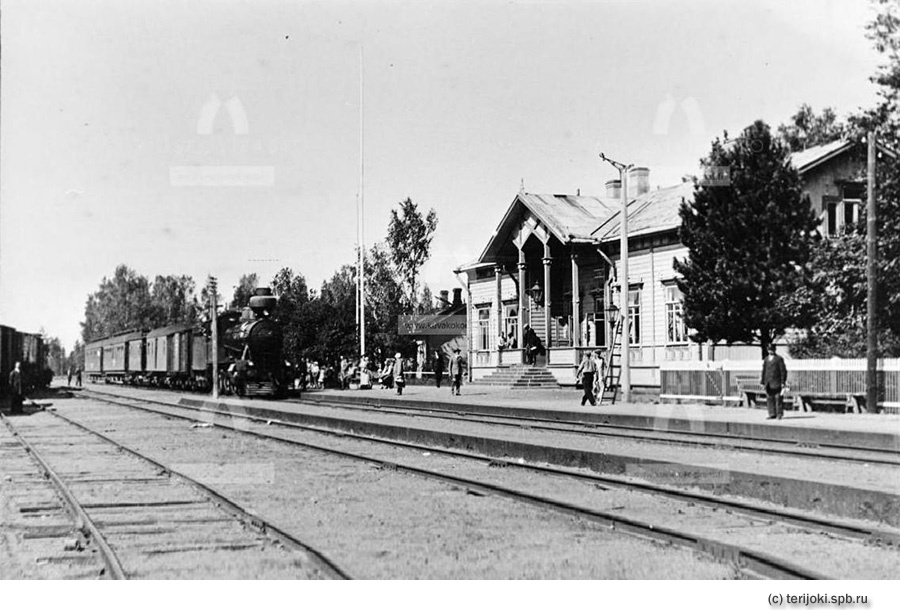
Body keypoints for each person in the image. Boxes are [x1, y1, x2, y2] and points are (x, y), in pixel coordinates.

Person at [760, 344, 788, 420]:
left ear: (775, 350)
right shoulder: (766, 359)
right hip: (768, 383)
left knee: (778, 398)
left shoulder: (779, 359)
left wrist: (783, 382)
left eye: (772, 349)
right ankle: (772, 413)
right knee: (769, 398)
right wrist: (762, 382)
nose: (770, 351)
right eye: (769, 350)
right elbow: (764, 371)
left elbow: (783, 371)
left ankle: (779, 414)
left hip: (777, 382)